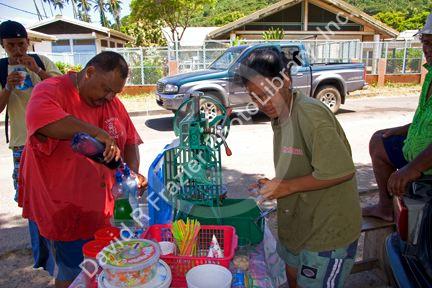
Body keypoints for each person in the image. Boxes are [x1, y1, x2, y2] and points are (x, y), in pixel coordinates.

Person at [18, 51, 147, 288]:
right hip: (66, 212)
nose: (109, 97)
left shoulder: (112, 103)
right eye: (106, 89)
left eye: (115, 93)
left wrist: (131, 175)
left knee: (105, 269)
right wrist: (96, 132)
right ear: (89, 73)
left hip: (107, 212)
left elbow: (129, 140)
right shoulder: (51, 90)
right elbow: (42, 121)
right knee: (74, 273)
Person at [238, 48, 361, 288]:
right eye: (255, 97)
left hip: (328, 232)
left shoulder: (310, 114)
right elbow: (302, 165)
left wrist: (285, 187)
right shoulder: (280, 114)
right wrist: (275, 183)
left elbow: (341, 170)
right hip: (298, 225)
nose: (263, 102)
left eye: (267, 92)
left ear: (286, 79)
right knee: (292, 277)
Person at [363, 13, 432, 222]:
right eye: (426, 42)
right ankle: (385, 207)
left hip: (426, 164)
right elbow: (425, 121)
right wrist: (403, 129)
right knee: (379, 141)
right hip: (418, 153)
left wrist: (412, 169)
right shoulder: (430, 75)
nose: (428, 49)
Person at [0, 20, 61, 202]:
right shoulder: (1, 69)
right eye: (11, 45)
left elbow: (64, 89)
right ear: (3, 45)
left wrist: (38, 70)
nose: (17, 49)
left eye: (21, 44)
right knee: (27, 194)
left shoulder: (41, 61)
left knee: (54, 190)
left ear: (28, 42)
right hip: (21, 141)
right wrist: (7, 87)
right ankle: (35, 229)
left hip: (51, 138)